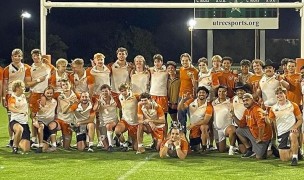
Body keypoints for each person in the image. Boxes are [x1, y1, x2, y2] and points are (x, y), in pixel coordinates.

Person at [25, 49, 55, 145]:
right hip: (35, 94)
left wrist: (49, 64)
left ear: (41, 56)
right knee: (34, 116)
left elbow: (55, 72)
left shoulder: (47, 67)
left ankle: (48, 137)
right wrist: (38, 80)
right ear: (32, 57)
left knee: (49, 116)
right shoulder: (29, 69)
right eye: (34, 56)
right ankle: (34, 138)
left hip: (46, 95)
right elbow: (28, 84)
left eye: (37, 55)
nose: (36, 57)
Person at [267, 87, 303, 166]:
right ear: (275, 96)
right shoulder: (273, 108)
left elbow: (300, 120)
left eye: (281, 93)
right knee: (284, 159)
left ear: (285, 94)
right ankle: (296, 150)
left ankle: (295, 157)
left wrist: (295, 127)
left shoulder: (293, 105)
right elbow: (272, 122)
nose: (279, 95)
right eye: (277, 94)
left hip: (292, 130)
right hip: (281, 132)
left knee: (292, 135)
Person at [3, 49, 31, 147]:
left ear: (22, 57)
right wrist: (3, 97)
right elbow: (5, 84)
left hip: (22, 94)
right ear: (12, 57)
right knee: (11, 117)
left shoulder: (26, 67)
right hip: (11, 94)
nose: (17, 58)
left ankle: (22, 138)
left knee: (24, 116)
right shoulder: (7, 69)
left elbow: (28, 82)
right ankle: (11, 139)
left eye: (19, 56)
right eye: (15, 56)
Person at [233, 93, 272, 159]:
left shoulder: (257, 110)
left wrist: (260, 138)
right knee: (239, 130)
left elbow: (261, 126)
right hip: (253, 134)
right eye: (244, 101)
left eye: (247, 100)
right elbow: (241, 125)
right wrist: (233, 116)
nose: (245, 102)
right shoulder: (246, 111)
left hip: (263, 137)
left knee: (259, 157)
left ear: (252, 100)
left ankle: (271, 150)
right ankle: (249, 149)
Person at [86, 53, 111, 148]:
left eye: (101, 59)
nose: (100, 61)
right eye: (98, 59)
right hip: (96, 96)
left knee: (105, 119)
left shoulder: (108, 69)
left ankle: (107, 139)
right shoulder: (91, 71)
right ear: (94, 61)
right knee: (96, 119)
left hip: (107, 96)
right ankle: (99, 139)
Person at [178, 86, 212, 152]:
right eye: (200, 92)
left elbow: (205, 121)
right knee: (194, 148)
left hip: (202, 127)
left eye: (203, 92)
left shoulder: (209, 106)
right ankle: (197, 145)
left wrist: (193, 124)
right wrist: (182, 100)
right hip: (193, 128)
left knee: (204, 127)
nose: (201, 94)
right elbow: (180, 108)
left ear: (207, 94)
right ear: (197, 94)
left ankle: (204, 148)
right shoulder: (191, 101)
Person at [212, 85, 237, 155]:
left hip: (227, 128)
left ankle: (232, 149)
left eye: (224, 91)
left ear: (226, 92)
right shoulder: (213, 103)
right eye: (219, 91)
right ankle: (229, 147)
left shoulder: (231, 103)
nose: (221, 93)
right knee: (221, 150)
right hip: (217, 130)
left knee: (232, 130)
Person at [178, 53, 198, 133]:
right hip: (181, 97)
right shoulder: (181, 69)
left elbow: (196, 87)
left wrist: (192, 78)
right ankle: (183, 139)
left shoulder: (194, 71)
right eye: (183, 60)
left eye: (186, 60)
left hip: (191, 97)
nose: (184, 62)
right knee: (181, 119)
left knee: (192, 118)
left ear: (190, 61)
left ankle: (194, 140)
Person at [114, 83, 139, 151]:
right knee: (117, 131)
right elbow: (121, 108)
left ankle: (134, 142)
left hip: (134, 122)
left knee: (135, 148)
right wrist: (120, 118)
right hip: (125, 120)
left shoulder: (136, 96)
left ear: (129, 89)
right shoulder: (120, 97)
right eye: (122, 91)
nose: (124, 92)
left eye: (125, 90)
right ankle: (124, 144)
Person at [8, 80, 30, 154]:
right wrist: (20, 111)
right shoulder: (13, 97)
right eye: (22, 87)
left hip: (24, 122)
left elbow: (29, 95)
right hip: (15, 121)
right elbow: (11, 107)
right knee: (19, 129)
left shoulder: (23, 95)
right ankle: (15, 147)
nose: (24, 88)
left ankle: (16, 139)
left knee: (26, 149)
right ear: (17, 88)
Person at [55, 79, 79, 149]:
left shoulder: (75, 96)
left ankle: (61, 139)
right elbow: (64, 111)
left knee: (66, 147)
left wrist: (69, 103)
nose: (65, 86)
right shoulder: (60, 96)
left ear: (70, 85)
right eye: (63, 85)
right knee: (53, 127)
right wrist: (70, 103)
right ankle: (53, 142)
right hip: (60, 119)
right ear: (61, 87)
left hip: (70, 120)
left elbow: (74, 109)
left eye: (66, 84)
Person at [34, 86, 58, 153]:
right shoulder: (39, 102)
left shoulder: (55, 102)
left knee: (52, 125)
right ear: (44, 93)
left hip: (50, 122)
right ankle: (40, 145)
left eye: (51, 93)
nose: (49, 95)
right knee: (41, 127)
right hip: (41, 121)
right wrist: (35, 121)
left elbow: (55, 113)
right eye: (48, 93)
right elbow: (34, 114)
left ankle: (54, 145)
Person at [95, 84, 118, 152]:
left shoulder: (115, 98)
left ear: (109, 91)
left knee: (108, 126)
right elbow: (95, 109)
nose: (104, 93)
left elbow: (121, 107)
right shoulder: (99, 100)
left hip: (113, 121)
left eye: (106, 91)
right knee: (105, 147)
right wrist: (98, 104)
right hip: (103, 122)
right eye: (103, 91)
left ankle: (111, 145)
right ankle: (114, 141)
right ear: (101, 92)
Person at [150, 54, 168, 134]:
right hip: (152, 95)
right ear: (154, 63)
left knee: (163, 118)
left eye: (159, 62)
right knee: (153, 117)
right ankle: (155, 139)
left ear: (162, 62)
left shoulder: (166, 71)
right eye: (155, 62)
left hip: (162, 96)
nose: (157, 63)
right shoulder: (151, 70)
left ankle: (164, 137)